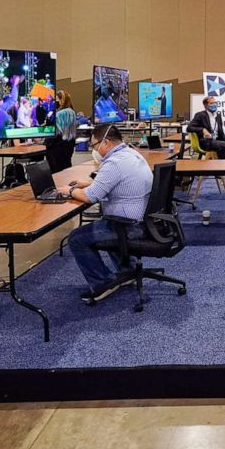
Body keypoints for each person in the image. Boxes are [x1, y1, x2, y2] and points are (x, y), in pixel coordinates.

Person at [63, 124, 154, 303]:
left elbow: (91, 197)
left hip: (128, 226)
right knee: (108, 222)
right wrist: (87, 183)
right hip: (144, 221)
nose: (94, 150)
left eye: (94, 145)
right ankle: (127, 270)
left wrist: (69, 191)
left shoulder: (114, 163)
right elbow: (115, 182)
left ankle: (102, 283)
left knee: (76, 239)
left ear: (105, 143)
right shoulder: (131, 153)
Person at [45, 90, 78, 173]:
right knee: (66, 169)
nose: (54, 102)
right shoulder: (72, 112)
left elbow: (53, 130)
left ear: (61, 100)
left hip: (57, 146)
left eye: (56, 99)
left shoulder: (59, 114)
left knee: (56, 172)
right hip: (69, 143)